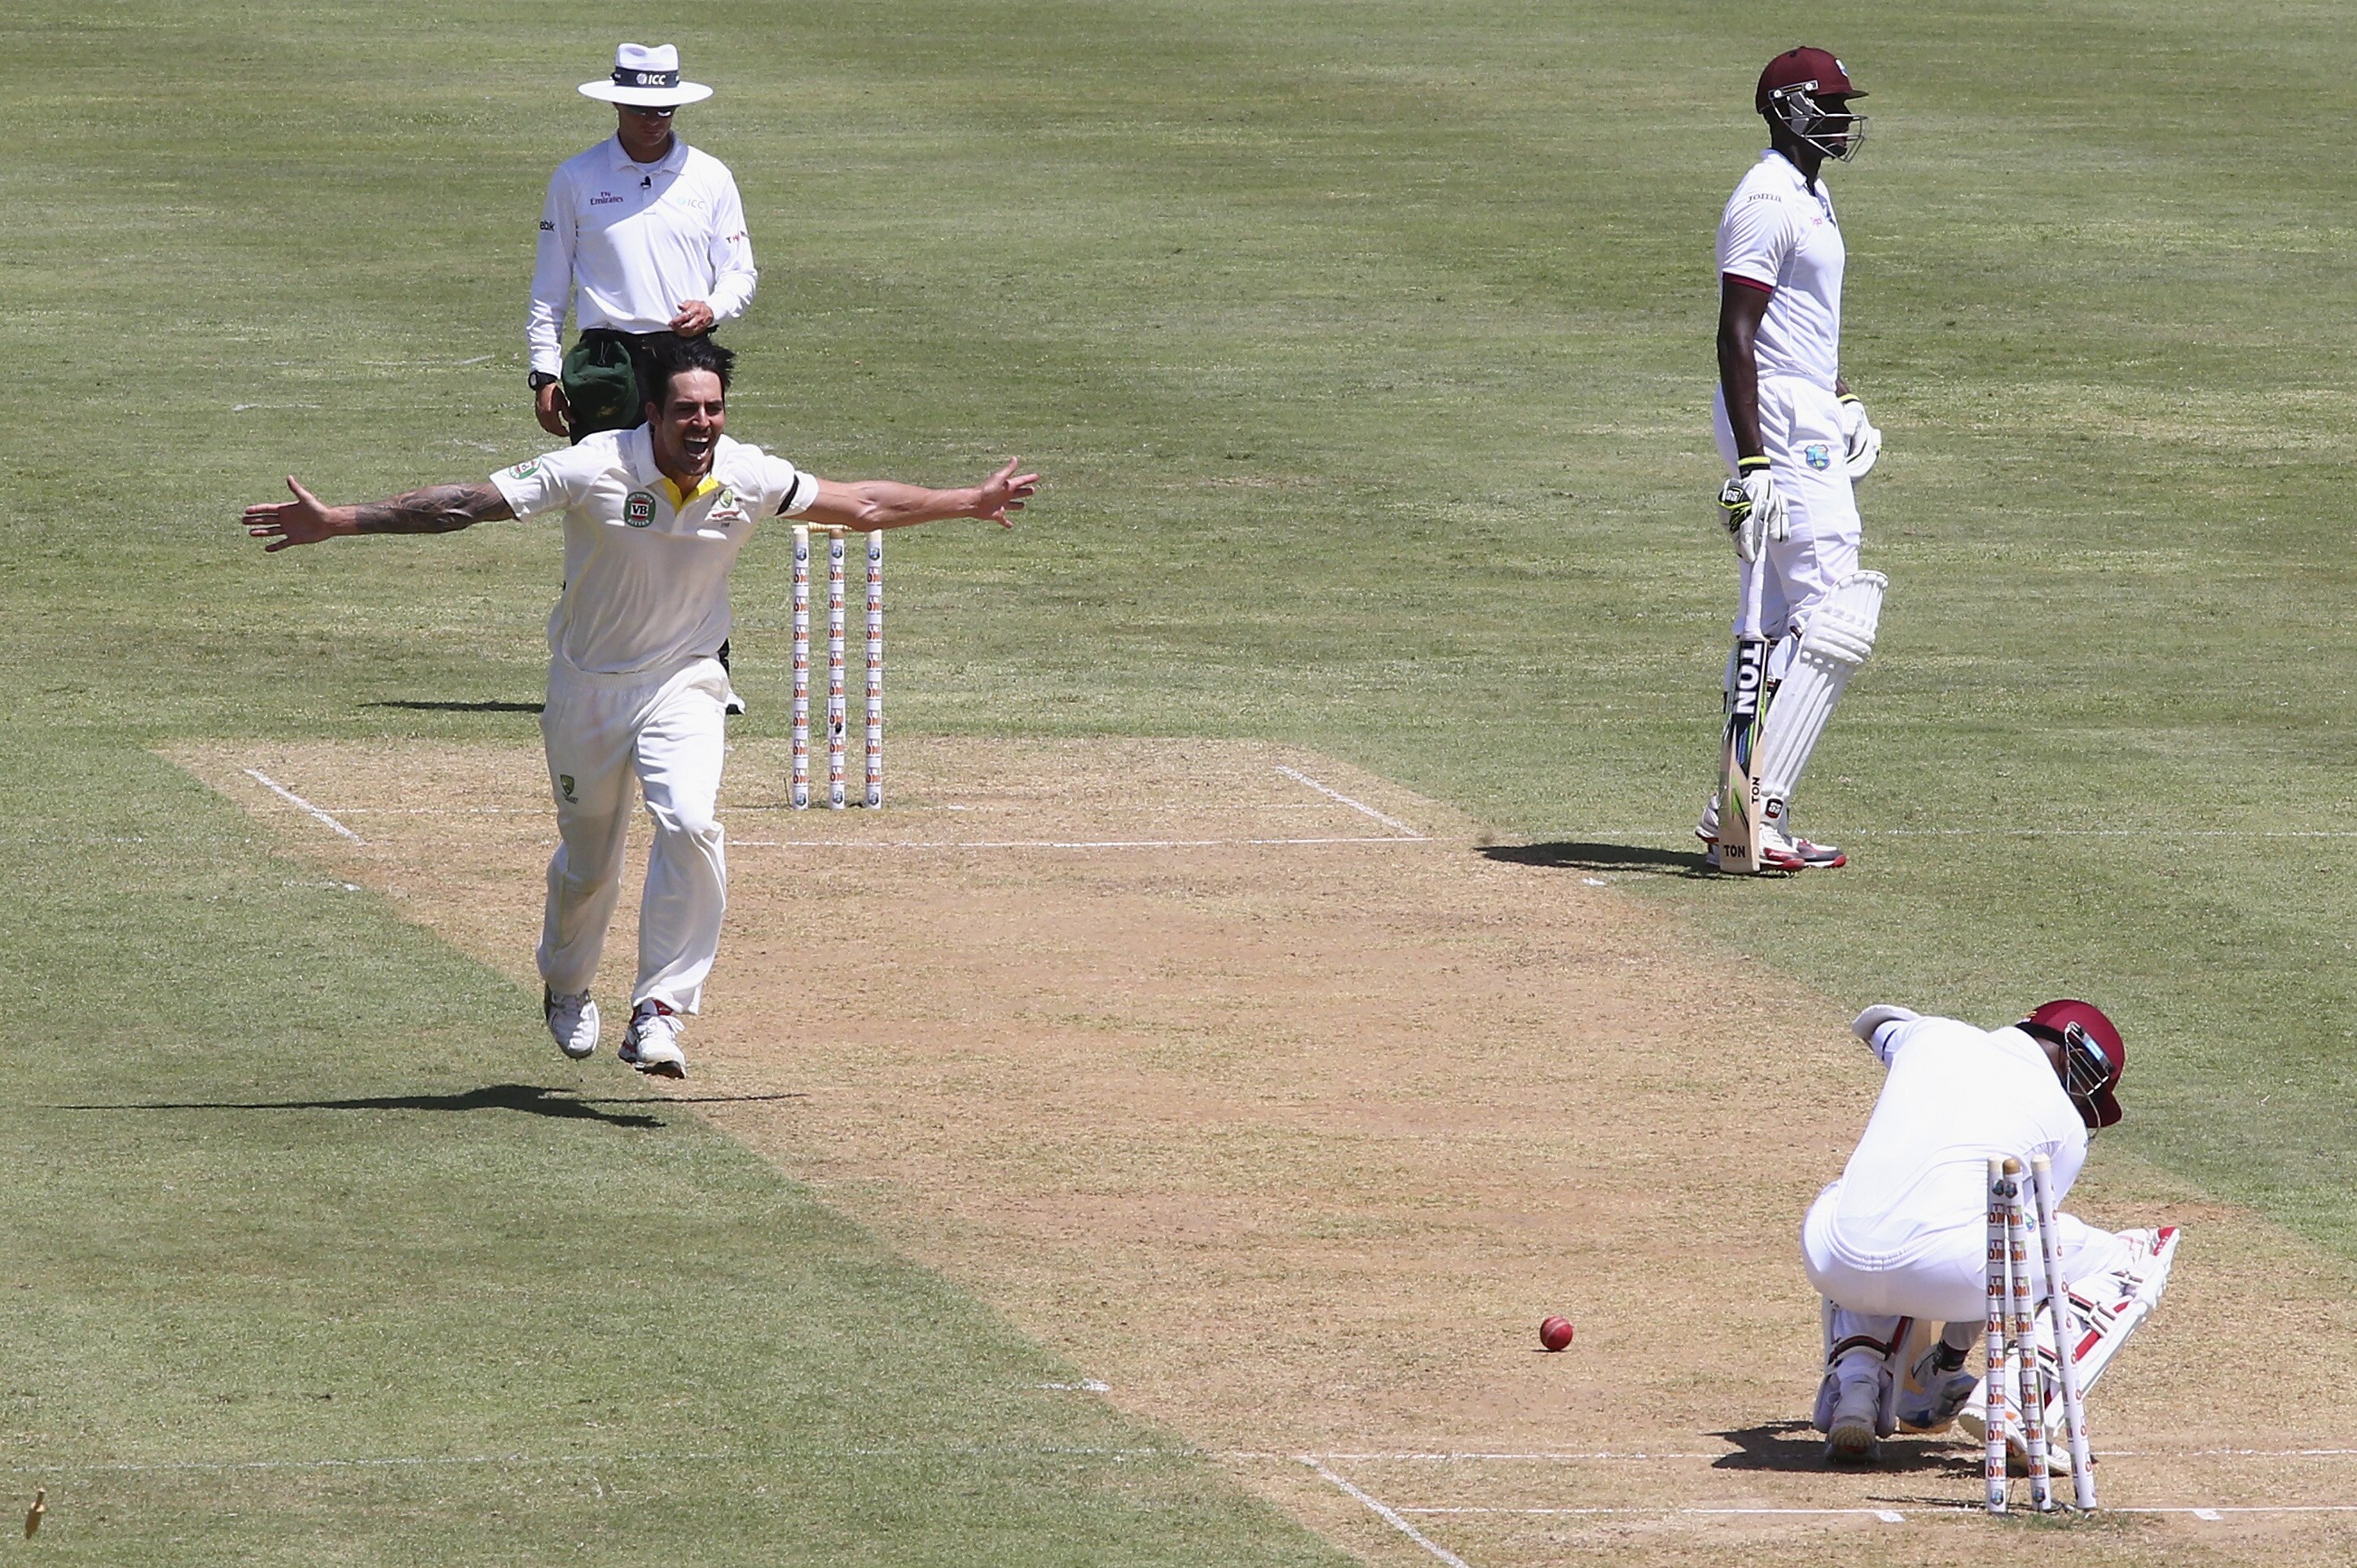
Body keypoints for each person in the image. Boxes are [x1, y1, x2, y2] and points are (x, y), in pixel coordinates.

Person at [242, 337, 1040, 1079]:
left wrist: (965, 500)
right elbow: (465, 503)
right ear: (652, 413)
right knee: (589, 864)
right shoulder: (594, 465)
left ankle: (658, 1007)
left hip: (686, 680)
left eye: (713, 408)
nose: (702, 424)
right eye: (686, 409)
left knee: (690, 820)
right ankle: (565, 984)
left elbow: (860, 503)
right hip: (587, 687)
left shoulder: (747, 473)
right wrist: (341, 520)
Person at [1801, 999, 2179, 1465]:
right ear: (2069, 1052)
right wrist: (1953, 1351)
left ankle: (1855, 1391)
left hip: (1829, 1256)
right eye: (2086, 1090)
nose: (2081, 1102)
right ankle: (2018, 1402)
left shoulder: (1932, 1035)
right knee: (2136, 1257)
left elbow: (1874, 1024)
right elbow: (2016, 1250)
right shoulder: (2065, 1127)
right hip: (1944, 1272)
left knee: (1877, 1201)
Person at [1695, 47, 1888, 872]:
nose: (1843, 119)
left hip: (1802, 406)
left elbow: (1802, 325)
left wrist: (1842, 396)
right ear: (1786, 108)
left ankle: (1736, 812)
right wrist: (1755, 465)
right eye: (1830, 104)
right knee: (1836, 614)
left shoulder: (1813, 194)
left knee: (1785, 625)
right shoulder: (1766, 200)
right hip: (1772, 415)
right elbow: (1736, 335)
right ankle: (1758, 810)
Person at [527, 42, 755, 444]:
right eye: (640, 109)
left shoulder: (711, 176)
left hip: (687, 357)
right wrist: (544, 373)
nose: (654, 120)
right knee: (604, 488)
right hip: (606, 364)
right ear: (616, 104)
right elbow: (550, 289)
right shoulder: (576, 177)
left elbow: (739, 273)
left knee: (687, 486)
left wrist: (712, 307)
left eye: (664, 109)